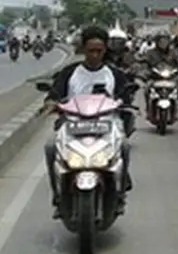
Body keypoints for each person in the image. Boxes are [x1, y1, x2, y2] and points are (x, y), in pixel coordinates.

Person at [43, 26, 136, 210]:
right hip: (73, 123)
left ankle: (120, 191)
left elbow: (125, 97)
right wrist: (51, 103)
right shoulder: (69, 72)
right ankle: (57, 194)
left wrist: (125, 104)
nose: (95, 55)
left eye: (99, 51)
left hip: (106, 124)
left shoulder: (114, 74)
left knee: (124, 146)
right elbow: (54, 93)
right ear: (83, 49)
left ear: (105, 50)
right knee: (50, 146)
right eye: (91, 50)